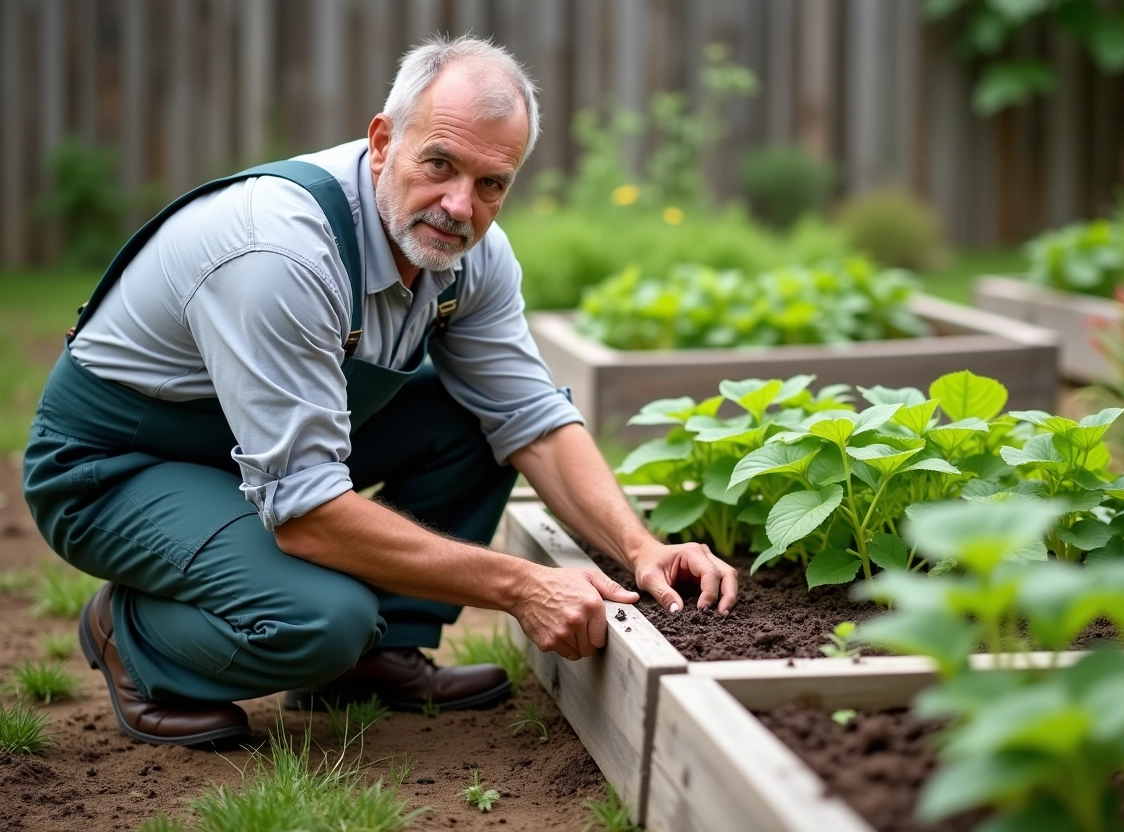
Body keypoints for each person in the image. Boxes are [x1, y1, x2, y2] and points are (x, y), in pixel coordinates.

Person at [22, 35, 738, 747]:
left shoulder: (471, 257)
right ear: (382, 140)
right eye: (440, 164)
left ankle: (372, 658)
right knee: (320, 619)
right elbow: (305, 513)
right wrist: (522, 586)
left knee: (472, 418)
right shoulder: (281, 254)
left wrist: (640, 545)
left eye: (492, 183)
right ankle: (133, 635)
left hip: (251, 451)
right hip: (114, 467)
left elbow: (532, 419)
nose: (460, 206)